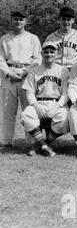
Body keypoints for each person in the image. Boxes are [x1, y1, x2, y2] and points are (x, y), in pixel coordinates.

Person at [0, 10, 42, 150]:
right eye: (15, 19)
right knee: (7, 110)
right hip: (9, 74)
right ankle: (6, 142)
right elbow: (0, 59)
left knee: (28, 109)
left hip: (26, 74)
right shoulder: (4, 38)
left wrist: (26, 71)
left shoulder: (33, 38)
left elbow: (38, 58)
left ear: (26, 21)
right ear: (11, 21)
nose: (18, 22)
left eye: (21, 19)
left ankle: (31, 142)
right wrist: (8, 73)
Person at [21, 41, 69, 157]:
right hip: (39, 102)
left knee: (64, 119)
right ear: (41, 53)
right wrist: (36, 106)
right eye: (46, 52)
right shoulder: (34, 70)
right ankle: (44, 146)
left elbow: (66, 94)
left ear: (57, 54)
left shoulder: (63, 70)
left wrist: (56, 107)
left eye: (52, 52)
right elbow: (29, 91)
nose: (49, 54)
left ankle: (42, 144)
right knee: (26, 115)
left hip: (57, 103)